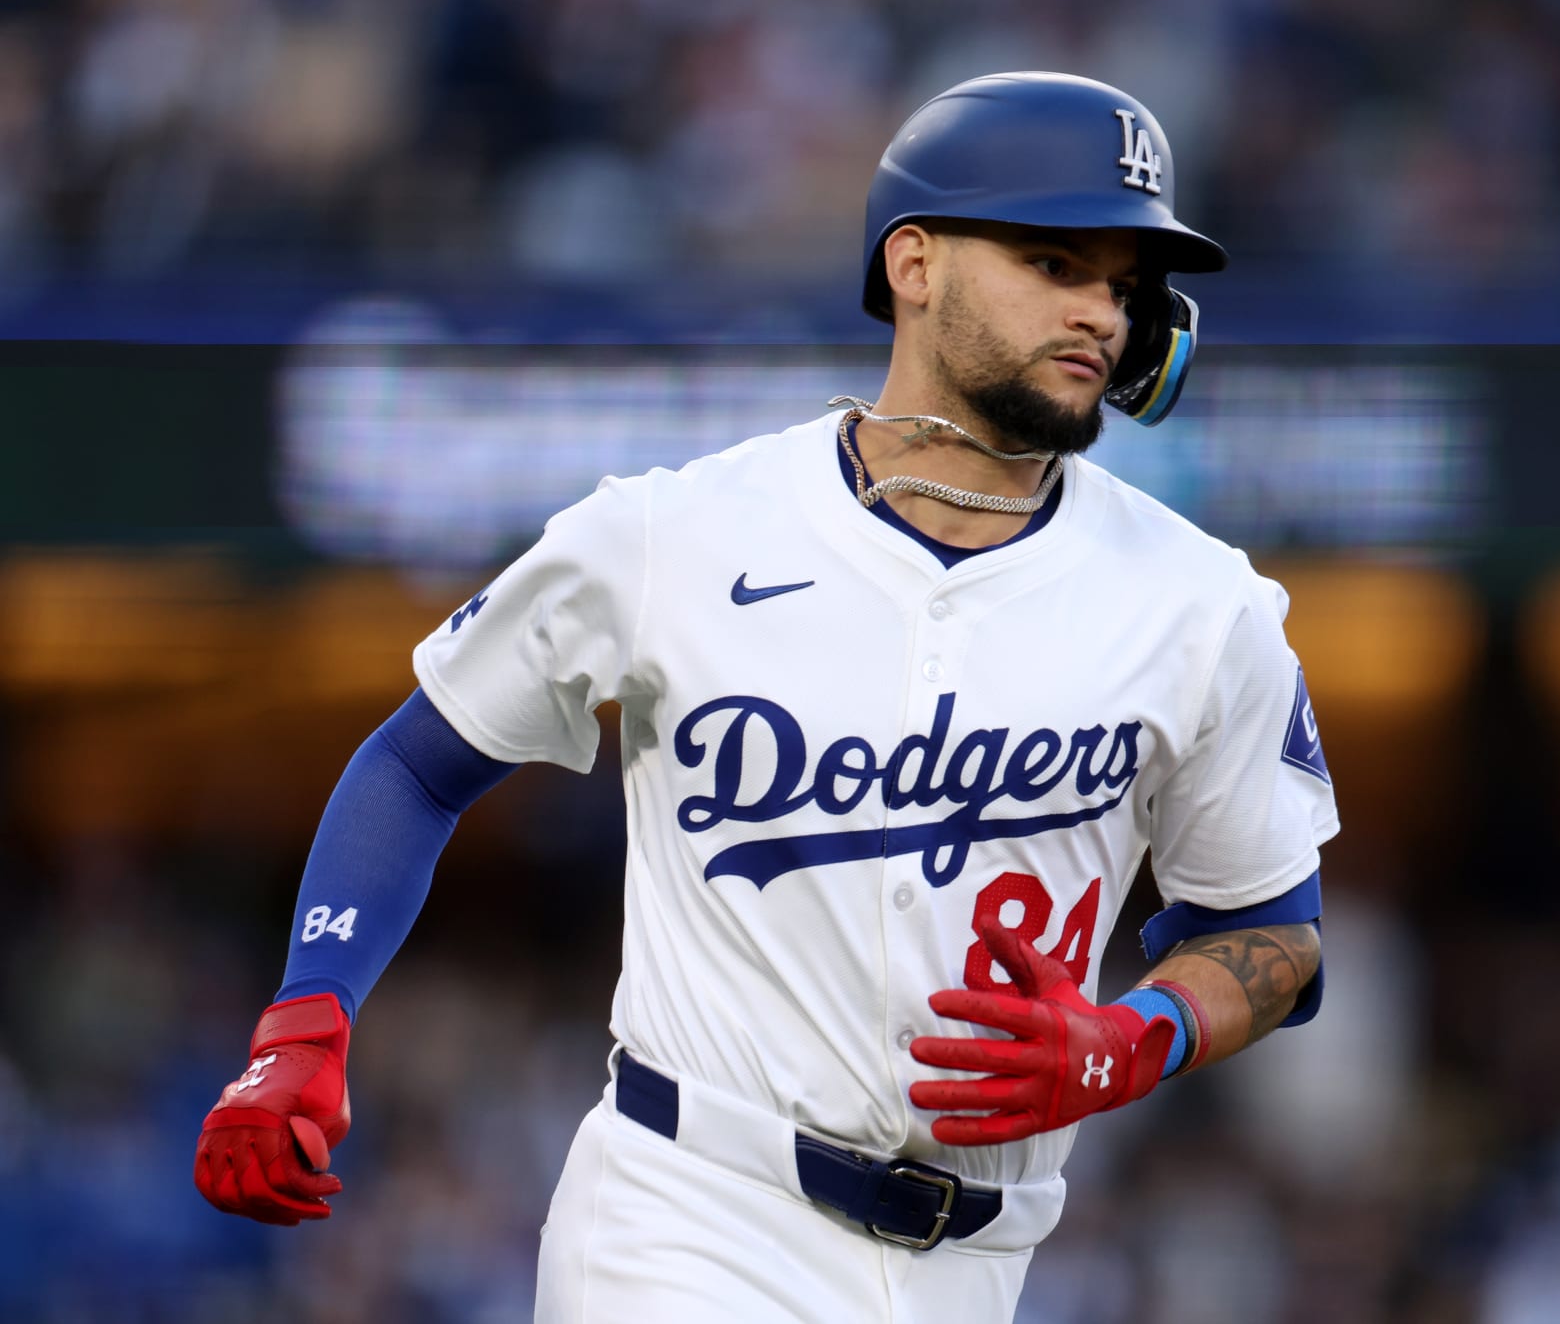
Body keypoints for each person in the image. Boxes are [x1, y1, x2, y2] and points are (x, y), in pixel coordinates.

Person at [194, 71, 1339, 1323]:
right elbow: (418, 763)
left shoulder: (1204, 603)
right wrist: (305, 1019)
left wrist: (1142, 1036)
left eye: (1123, 284)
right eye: (1053, 261)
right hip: (691, 1210)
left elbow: (1275, 935)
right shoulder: (675, 531)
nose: (1098, 313)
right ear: (914, 263)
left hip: (982, 1264)